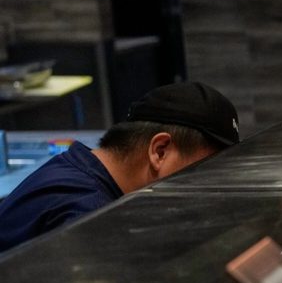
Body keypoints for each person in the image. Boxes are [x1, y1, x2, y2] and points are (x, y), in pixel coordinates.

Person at [0, 81, 239, 254]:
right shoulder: (87, 214)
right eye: (203, 172)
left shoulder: (79, 168)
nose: (203, 193)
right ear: (160, 151)